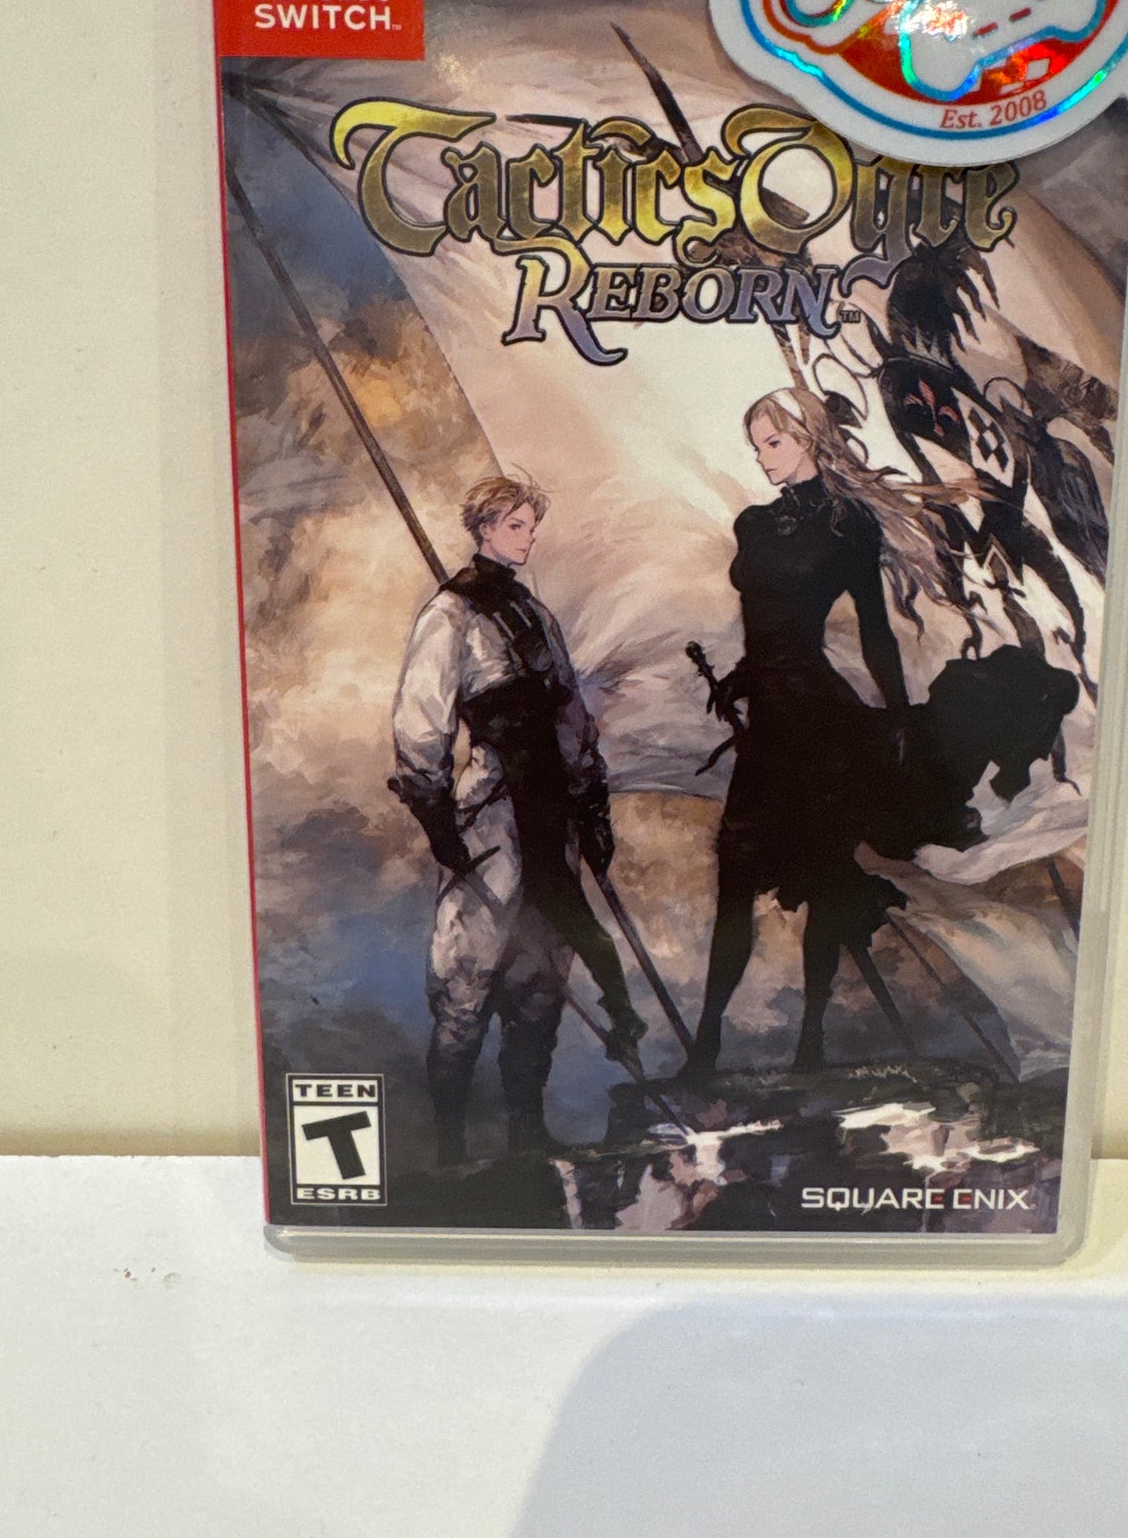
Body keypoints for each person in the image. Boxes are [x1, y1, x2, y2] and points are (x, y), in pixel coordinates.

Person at [684, 386, 969, 1077]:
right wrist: (747, 673)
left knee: (824, 877)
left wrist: (899, 717)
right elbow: (765, 623)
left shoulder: (849, 524)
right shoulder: (753, 523)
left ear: (809, 437)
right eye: (756, 445)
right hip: (768, 715)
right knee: (735, 878)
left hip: (817, 720)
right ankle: (704, 1048)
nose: (762, 457)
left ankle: (810, 1041)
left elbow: (874, 628)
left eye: (773, 442)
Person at [390, 474, 645, 1162]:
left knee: (540, 986)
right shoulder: (450, 615)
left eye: (531, 527)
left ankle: (527, 1137)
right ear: (483, 528)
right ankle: (450, 1149)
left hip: (551, 813)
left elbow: (571, 715)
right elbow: (421, 719)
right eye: (515, 526)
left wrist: (591, 801)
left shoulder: (535, 615)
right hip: (493, 821)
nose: (528, 538)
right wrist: (435, 814)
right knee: (467, 987)